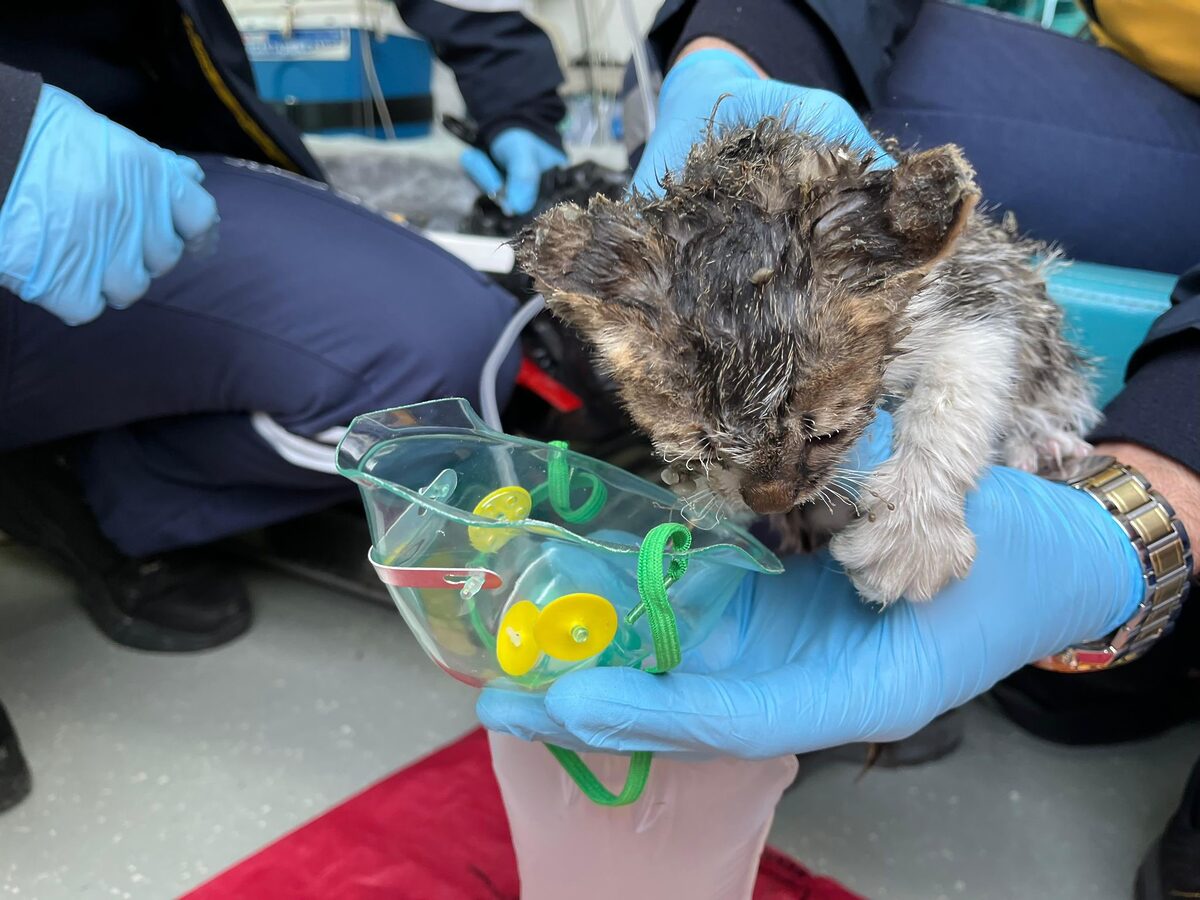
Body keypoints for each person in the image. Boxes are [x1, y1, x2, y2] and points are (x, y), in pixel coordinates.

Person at [478, 3, 1200, 897]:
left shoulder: (904, 288)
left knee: (1074, 695)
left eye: (820, 433)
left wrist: (1152, 485)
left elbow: (978, 326)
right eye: (713, 446)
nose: (772, 490)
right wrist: (736, 41)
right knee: (1048, 697)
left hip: (1088, 272)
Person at [0, 0, 569, 813]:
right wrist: (8, 136)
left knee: (432, 349)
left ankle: (83, 477)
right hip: (21, 147)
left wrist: (515, 98)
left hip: (127, 163)